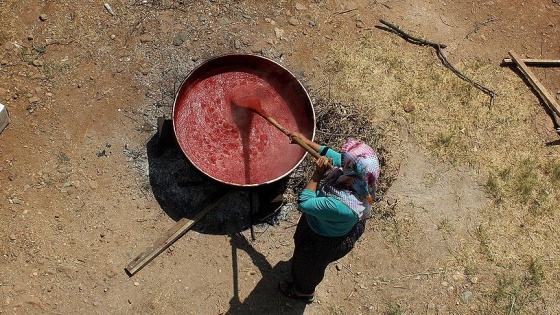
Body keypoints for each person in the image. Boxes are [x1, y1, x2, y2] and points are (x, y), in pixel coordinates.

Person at [278, 132, 380, 303]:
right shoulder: (361, 176)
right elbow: (330, 154)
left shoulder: (343, 205)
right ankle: (301, 268)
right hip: (331, 225)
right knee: (303, 255)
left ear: (350, 168)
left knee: (309, 267)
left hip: (325, 241)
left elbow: (305, 202)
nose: (341, 161)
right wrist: (304, 141)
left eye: (345, 161)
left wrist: (318, 173)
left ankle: (303, 292)